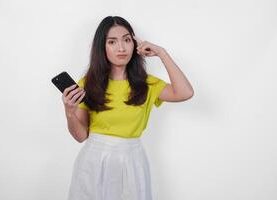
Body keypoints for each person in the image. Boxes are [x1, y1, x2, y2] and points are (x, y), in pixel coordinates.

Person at [62, 16, 194, 200]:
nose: (122, 48)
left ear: (134, 43)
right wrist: (69, 113)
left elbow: (185, 93)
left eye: (127, 40)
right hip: (94, 159)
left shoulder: (147, 84)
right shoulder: (88, 83)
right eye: (112, 42)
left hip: (133, 160)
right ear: (102, 47)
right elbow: (81, 136)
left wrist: (162, 53)